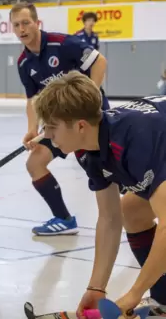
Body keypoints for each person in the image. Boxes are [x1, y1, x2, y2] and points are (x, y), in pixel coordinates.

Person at [33, 70, 166, 318]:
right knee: (131, 209)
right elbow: (109, 218)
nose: (48, 137)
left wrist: (134, 293)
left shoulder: (136, 141)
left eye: (52, 128)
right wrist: (97, 287)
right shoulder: (88, 149)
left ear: (81, 125)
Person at [10, 2, 109, 236]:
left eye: (26, 22)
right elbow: (33, 99)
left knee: (103, 170)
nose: (22, 28)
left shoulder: (63, 43)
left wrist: (85, 101)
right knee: (34, 163)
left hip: (88, 119)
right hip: (60, 123)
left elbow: (99, 62)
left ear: (37, 23)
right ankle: (64, 219)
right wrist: (32, 129)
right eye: (16, 25)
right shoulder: (24, 63)